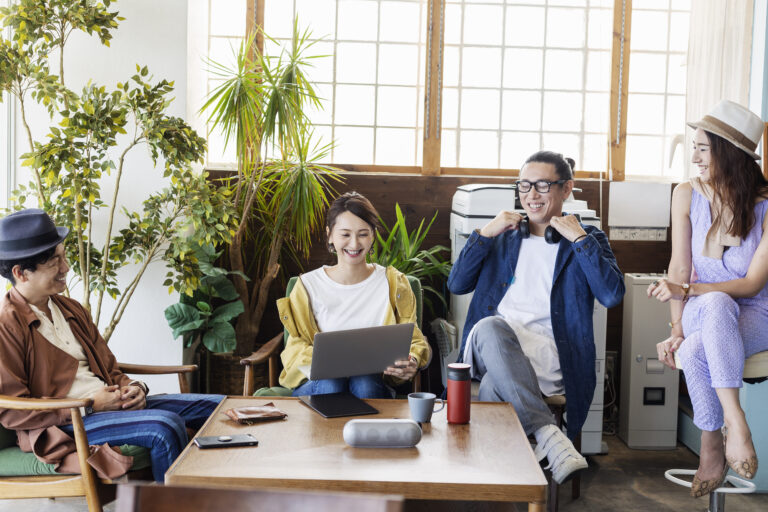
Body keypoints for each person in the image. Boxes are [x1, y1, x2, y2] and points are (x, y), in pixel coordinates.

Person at [0, 209, 223, 482]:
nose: (66, 267)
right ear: (20, 273)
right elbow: (12, 410)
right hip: (66, 424)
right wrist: (89, 405)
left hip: (111, 405)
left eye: (64, 256)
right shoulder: (6, 326)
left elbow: (109, 367)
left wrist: (135, 388)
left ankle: (217, 499)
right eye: (54, 261)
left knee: (217, 407)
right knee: (163, 426)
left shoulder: (71, 310)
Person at [447, 151, 624, 484]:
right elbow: (457, 284)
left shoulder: (588, 240)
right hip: (491, 346)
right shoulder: (504, 236)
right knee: (490, 327)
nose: (531, 195)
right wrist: (486, 232)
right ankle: (550, 436)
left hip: (547, 359)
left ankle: (498, 494)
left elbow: (612, 295)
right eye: (525, 186)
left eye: (542, 185)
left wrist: (581, 239)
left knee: (491, 387)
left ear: (566, 189)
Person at [648, 100, 768, 497]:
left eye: (703, 148)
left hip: (755, 311)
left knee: (700, 347)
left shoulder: (766, 206)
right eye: (693, 146)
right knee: (714, 308)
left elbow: (752, 284)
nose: (694, 157)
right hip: (703, 308)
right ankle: (737, 421)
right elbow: (679, 269)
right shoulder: (686, 195)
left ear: (730, 153)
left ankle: (711, 443)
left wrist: (689, 293)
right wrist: (677, 327)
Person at [278, 192, 431, 398]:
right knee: (332, 379)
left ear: (373, 235)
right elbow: (294, 347)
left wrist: (412, 360)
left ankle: (358, 430)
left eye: (362, 234)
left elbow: (414, 339)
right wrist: (331, 362)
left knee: (365, 379)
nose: (354, 244)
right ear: (330, 235)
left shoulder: (394, 284)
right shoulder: (307, 285)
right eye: (345, 234)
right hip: (318, 386)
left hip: (372, 384)